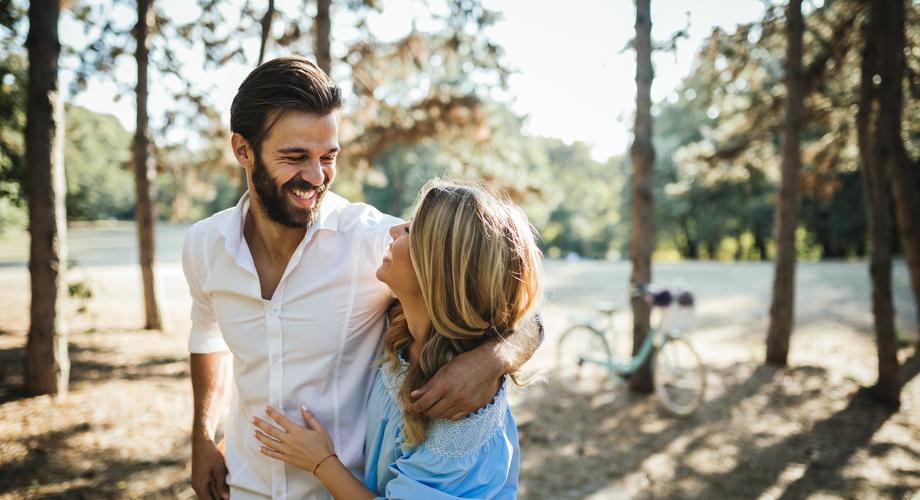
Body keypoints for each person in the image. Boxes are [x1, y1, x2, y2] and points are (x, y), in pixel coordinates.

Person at [182, 56, 541, 500]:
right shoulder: (203, 245)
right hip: (244, 486)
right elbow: (207, 333)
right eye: (295, 157)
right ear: (243, 150)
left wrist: (492, 360)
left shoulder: (376, 243)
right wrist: (201, 435)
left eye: (327, 157)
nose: (315, 177)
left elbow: (507, 303)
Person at [251, 180, 542, 499]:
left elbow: (531, 322)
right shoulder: (399, 323)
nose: (392, 231)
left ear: (436, 271)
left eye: (410, 231)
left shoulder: (456, 413)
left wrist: (321, 462)